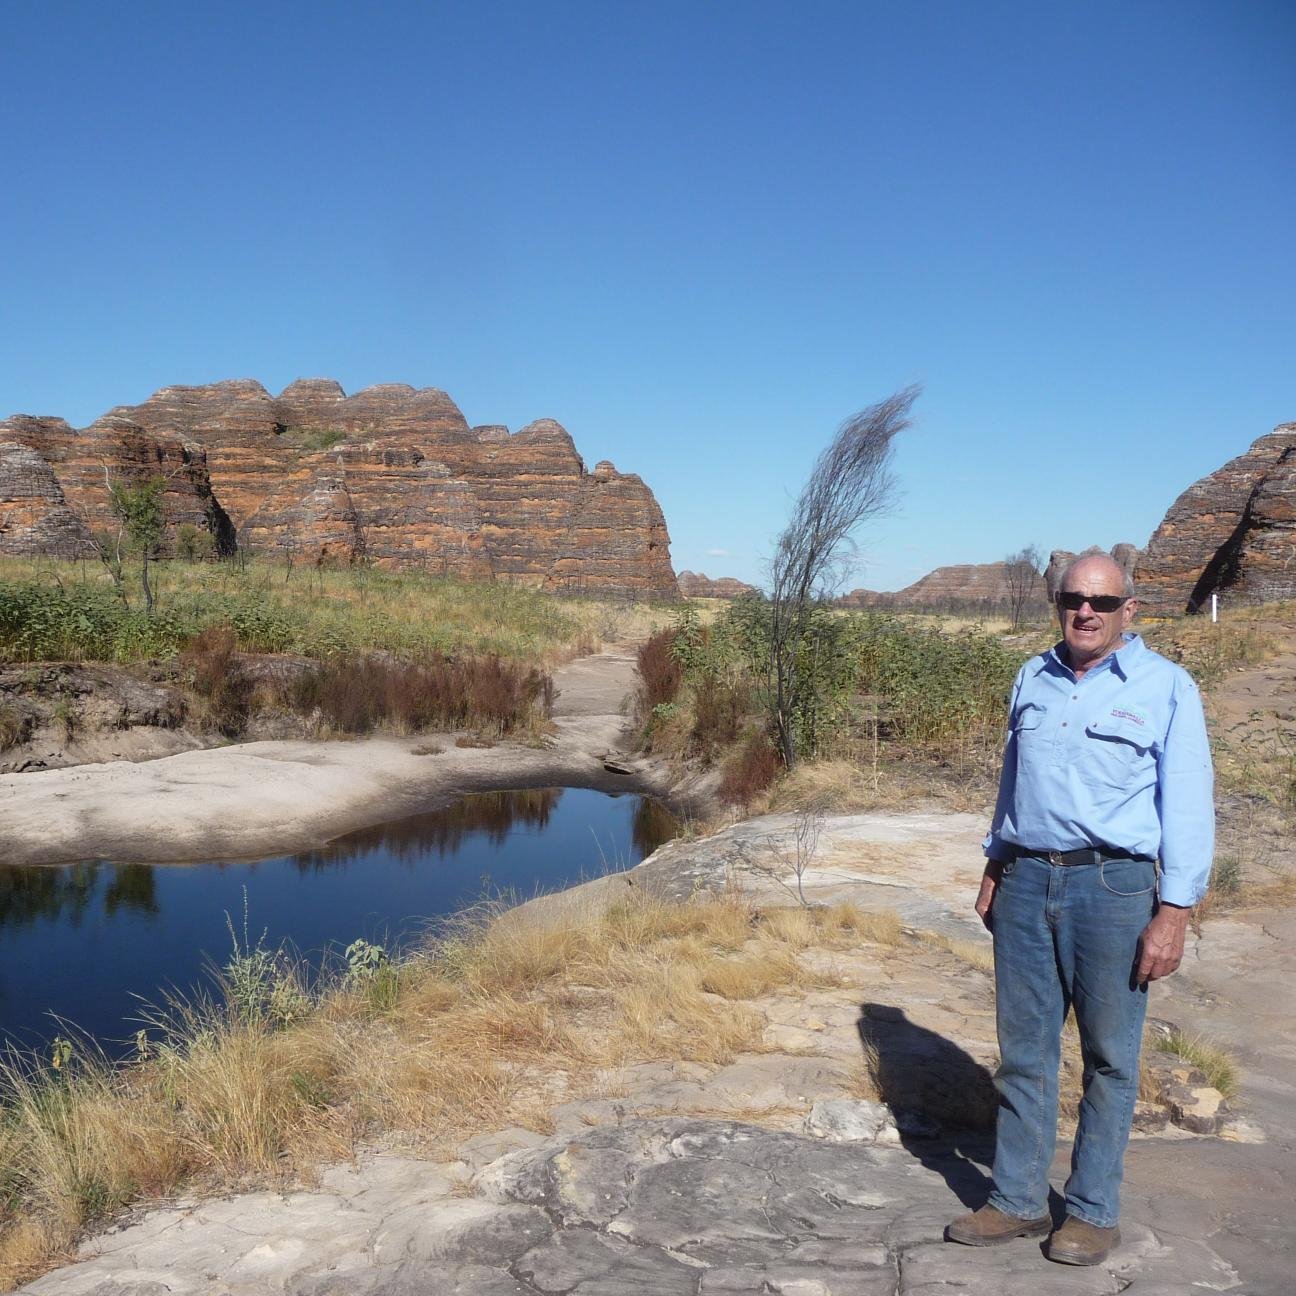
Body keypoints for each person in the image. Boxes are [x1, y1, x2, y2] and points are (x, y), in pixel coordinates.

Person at [946, 554, 1214, 1266]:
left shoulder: (1166, 689)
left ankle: (1093, 1211)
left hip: (1116, 889)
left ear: (1131, 608)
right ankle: (1017, 1201)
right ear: (1057, 603)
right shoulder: (1032, 677)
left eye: (1101, 599)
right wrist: (995, 862)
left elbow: (1187, 805)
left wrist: (1175, 910)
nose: (1085, 611)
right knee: (1025, 1053)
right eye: (1072, 598)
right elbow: (1013, 781)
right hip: (1028, 879)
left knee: (1110, 1059)